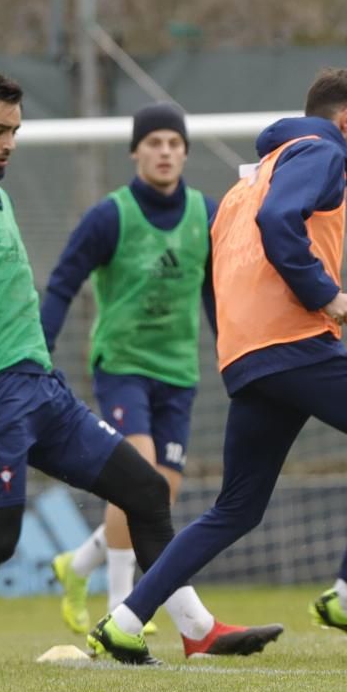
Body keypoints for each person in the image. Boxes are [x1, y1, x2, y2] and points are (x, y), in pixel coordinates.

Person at [0, 66, 282, 671]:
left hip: (43, 392)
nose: (9, 143)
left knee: (147, 491)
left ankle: (196, 630)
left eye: (15, 131)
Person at [86, 67, 347, 664]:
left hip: (248, 357)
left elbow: (239, 255)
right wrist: (326, 294)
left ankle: (123, 620)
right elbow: (280, 224)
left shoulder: (247, 180)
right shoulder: (320, 150)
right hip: (296, 345)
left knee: (236, 508)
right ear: (346, 120)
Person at [41, 102, 217, 639]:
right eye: (154, 142)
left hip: (178, 373)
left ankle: (79, 564)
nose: (164, 152)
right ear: (135, 151)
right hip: (122, 368)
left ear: (185, 152)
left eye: (173, 143)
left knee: (158, 494)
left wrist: (233, 350)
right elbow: (62, 284)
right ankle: (121, 611)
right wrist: (39, 354)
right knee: (135, 479)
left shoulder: (206, 214)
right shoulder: (110, 216)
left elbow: (216, 290)